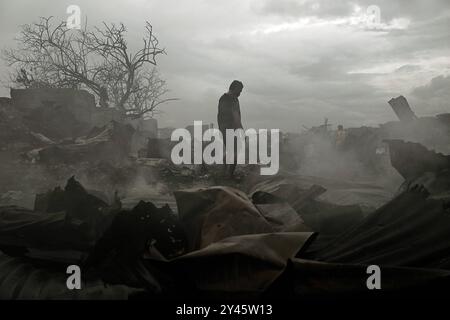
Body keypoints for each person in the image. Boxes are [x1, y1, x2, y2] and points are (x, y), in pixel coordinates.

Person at [217, 80, 244, 178]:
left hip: (225, 129)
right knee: (235, 152)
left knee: (231, 151)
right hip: (230, 129)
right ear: (234, 88)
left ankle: (223, 171)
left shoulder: (224, 98)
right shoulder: (231, 99)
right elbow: (235, 115)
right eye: (240, 90)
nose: (240, 93)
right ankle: (229, 176)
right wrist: (240, 130)